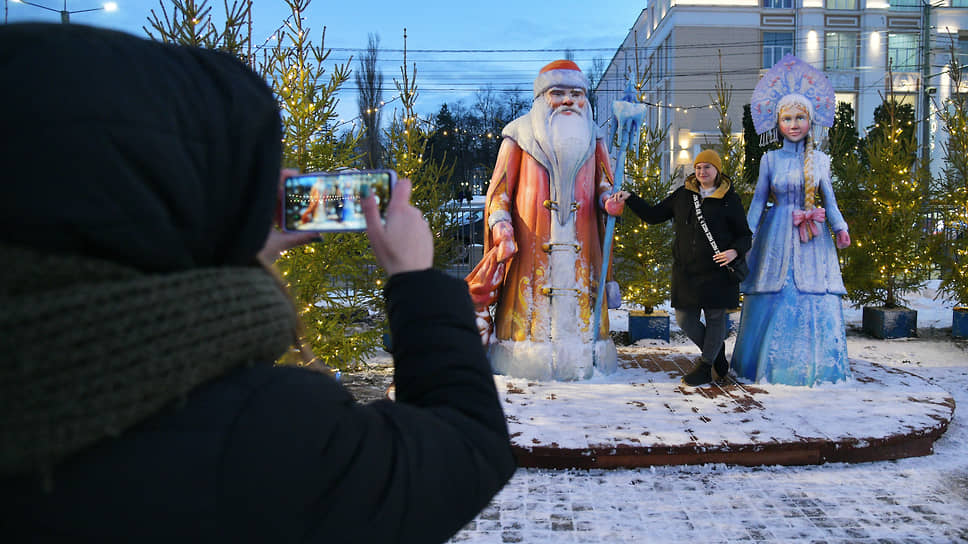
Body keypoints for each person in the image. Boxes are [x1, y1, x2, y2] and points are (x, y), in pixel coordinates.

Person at [0, 24, 515, 542]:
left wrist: (234, 243)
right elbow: (467, 445)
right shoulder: (255, 431)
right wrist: (414, 278)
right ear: (176, 192)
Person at [465, 60, 625, 381]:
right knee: (529, 313)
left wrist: (610, 201)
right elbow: (499, 192)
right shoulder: (518, 136)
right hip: (530, 248)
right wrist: (501, 226)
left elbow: (605, 185)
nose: (569, 101)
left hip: (582, 248)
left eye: (577, 94)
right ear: (541, 98)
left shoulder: (594, 138)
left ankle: (585, 356)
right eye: (559, 93)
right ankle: (522, 356)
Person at [731, 54, 852, 386]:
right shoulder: (769, 160)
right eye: (788, 118)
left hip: (814, 240)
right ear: (778, 122)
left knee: (813, 292)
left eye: (800, 118)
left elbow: (830, 199)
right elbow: (757, 201)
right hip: (777, 235)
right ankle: (763, 365)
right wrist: (747, 235)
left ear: (810, 121)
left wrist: (839, 228)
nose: (794, 124)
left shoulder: (822, 161)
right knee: (771, 289)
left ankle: (818, 370)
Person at [609, 150, 752, 386]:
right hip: (687, 271)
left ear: (717, 170)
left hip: (718, 270)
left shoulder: (729, 199)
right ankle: (715, 351)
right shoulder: (683, 195)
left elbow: (744, 235)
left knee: (715, 318)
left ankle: (705, 367)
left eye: (707, 167)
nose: (701, 172)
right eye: (698, 168)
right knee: (685, 319)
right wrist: (630, 198)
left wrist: (734, 251)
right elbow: (654, 216)